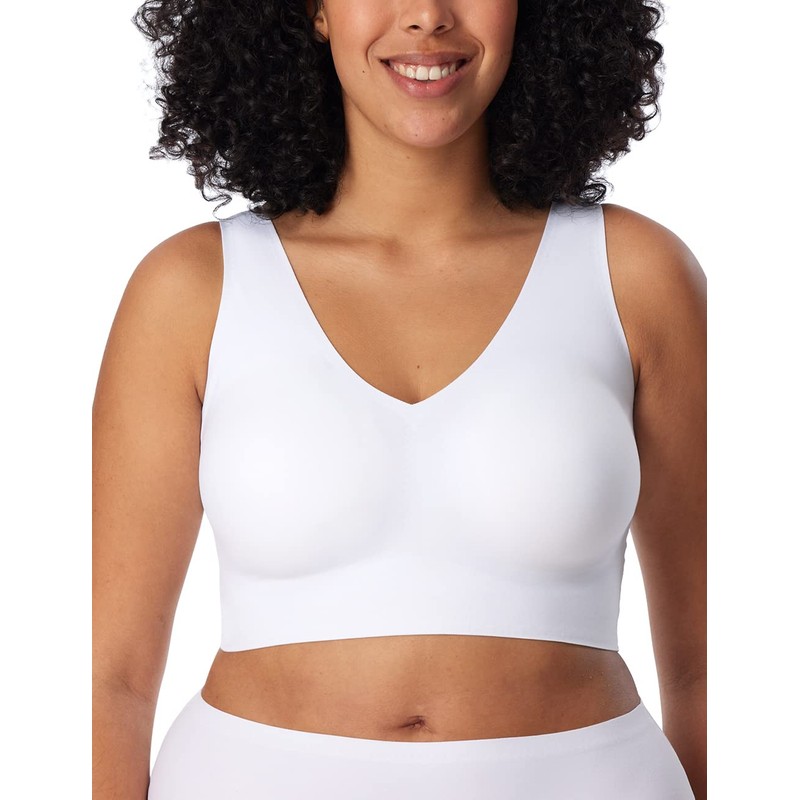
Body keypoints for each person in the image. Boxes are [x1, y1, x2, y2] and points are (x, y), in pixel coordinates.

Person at [92, 0, 706, 798]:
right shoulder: (188, 290)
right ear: (313, 10)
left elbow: (708, 666)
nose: (426, 15)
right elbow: (111, 679)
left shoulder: (638, 276)